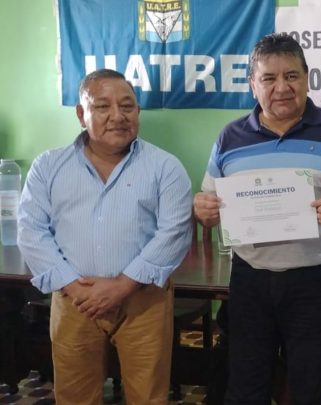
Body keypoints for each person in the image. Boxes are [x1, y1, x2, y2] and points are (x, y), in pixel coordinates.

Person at [193, 33, 321, 404]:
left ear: (307, 78)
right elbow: (208, 202)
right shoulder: (230, 137)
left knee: (313, 389)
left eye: (291, 76)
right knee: (245, 387)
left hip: (317, 282)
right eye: (269, 78)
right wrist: (204, 211)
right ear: (253, 84)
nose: (282, 87)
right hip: (250, 280)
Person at [17, 68, 193, 404]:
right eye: (102, 106)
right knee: (75, 396)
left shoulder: (165, 167)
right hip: (74, 300)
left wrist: (122, 286)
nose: (118, 116)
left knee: (148, 397)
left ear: (137, 112)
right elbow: (31, 230)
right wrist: (74, 287)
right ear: (81, 114)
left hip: (143, 300)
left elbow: (175, 232)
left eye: (127, 106)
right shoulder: (48, 167)